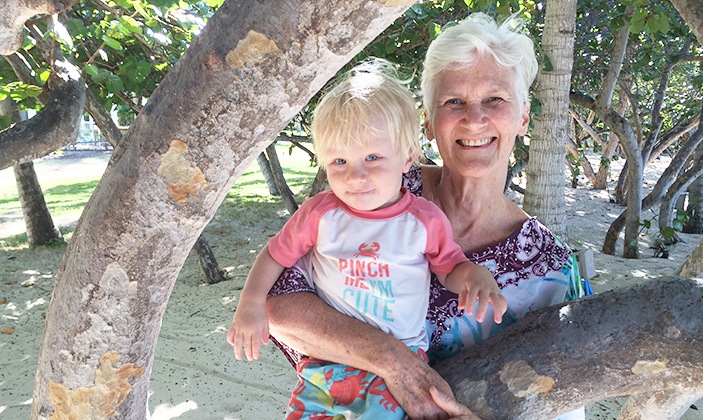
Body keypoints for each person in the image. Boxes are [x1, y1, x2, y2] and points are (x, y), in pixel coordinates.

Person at [264, 13, 587, 420]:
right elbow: (276, 304)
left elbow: (564, 401)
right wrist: (391, 358)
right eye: (454, 101)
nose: (474, 118)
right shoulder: (376, 186)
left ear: (523, 116)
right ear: (429, 125)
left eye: (496, 99)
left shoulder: (550, 267)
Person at [227, 60, 508, 419]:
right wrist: (250, 302)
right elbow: (275, 255)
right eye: (339, 161)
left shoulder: (422, 219)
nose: (355, 175)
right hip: (327, 362)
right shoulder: (320, 214)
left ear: (407, 156)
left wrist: (474, 276)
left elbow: (449, 267)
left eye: (372, 157)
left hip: (403, 366)